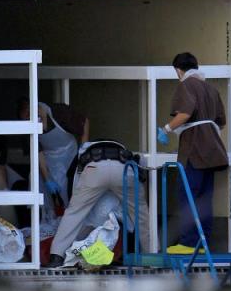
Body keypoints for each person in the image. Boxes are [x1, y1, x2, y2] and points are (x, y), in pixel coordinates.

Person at [157, 52, 227, 255]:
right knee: (205, 197)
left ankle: (188, 243)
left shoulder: (186, 85)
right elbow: (220, 121)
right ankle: (203, 243)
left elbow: (185, 113)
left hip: (194, 151)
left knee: (187, 193)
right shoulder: (211, 89)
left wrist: (167, 129)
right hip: (212, 151)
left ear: (178, 70)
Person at [44, 140, 150, 268]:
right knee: (141, 213)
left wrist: (73, 204)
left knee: (74, 213)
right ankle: (152, 252)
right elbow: (141, 178)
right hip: (122, 168)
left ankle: (56, 256)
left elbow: (73, 180)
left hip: (93, 168)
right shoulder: (122, 149)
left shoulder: (83, 151)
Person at [17, 98, 89, 228]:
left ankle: (74, 223)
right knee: (38, 181)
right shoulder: (28, 126)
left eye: (30, 116)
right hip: (48, 157)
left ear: (37, 109)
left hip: (70, 153)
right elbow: (38, 154)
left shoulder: (59, 112)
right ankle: (49, 220)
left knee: (70, 185)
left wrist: (83, 152)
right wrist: (48, 179)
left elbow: (84, 122)